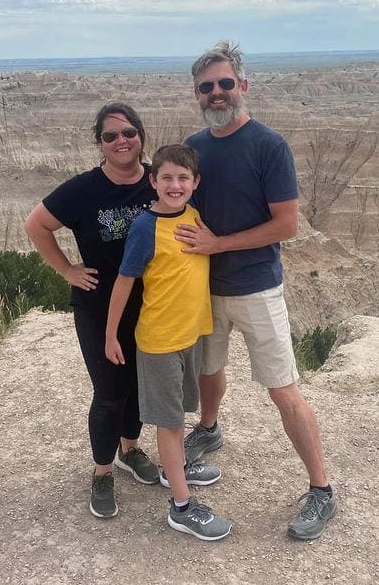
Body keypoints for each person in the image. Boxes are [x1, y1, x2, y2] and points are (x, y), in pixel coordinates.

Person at [175, 40, 338, 540]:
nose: (218, 93)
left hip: (255, 287)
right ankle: (208, 428)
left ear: (243, 86)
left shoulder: (269, 146)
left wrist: (218, 243)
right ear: (198, 95)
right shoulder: (193, 148)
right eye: (208, 87)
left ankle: (322, 490)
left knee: (283, 389)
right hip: (204, 287)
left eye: (226, 84)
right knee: (209, 369)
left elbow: (286, 224)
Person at [24, 103, 159, 519]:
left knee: (138, 386)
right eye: (110, 135)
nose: (122, 141)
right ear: (99, 143)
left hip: (150, 306)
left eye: (128, 132)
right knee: (109, 393)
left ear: (140, 134)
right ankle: (102, 472)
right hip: (99, 308)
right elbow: (36, 225)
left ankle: (128, 450)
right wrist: (67, 269)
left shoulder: (158, 179)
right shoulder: (83, 189)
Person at [105, 144, 233, 541]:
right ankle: (181, 506)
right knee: (170, 423)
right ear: (153, 182)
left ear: (195, 183)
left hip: (191, 335)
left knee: (180, 412)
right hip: (160, 341)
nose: (174, 185)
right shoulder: (146, 227)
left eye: (183, 178)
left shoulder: (195, 217)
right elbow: (125, 280)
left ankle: (173, 469)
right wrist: (110, 333)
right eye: (166, 178)